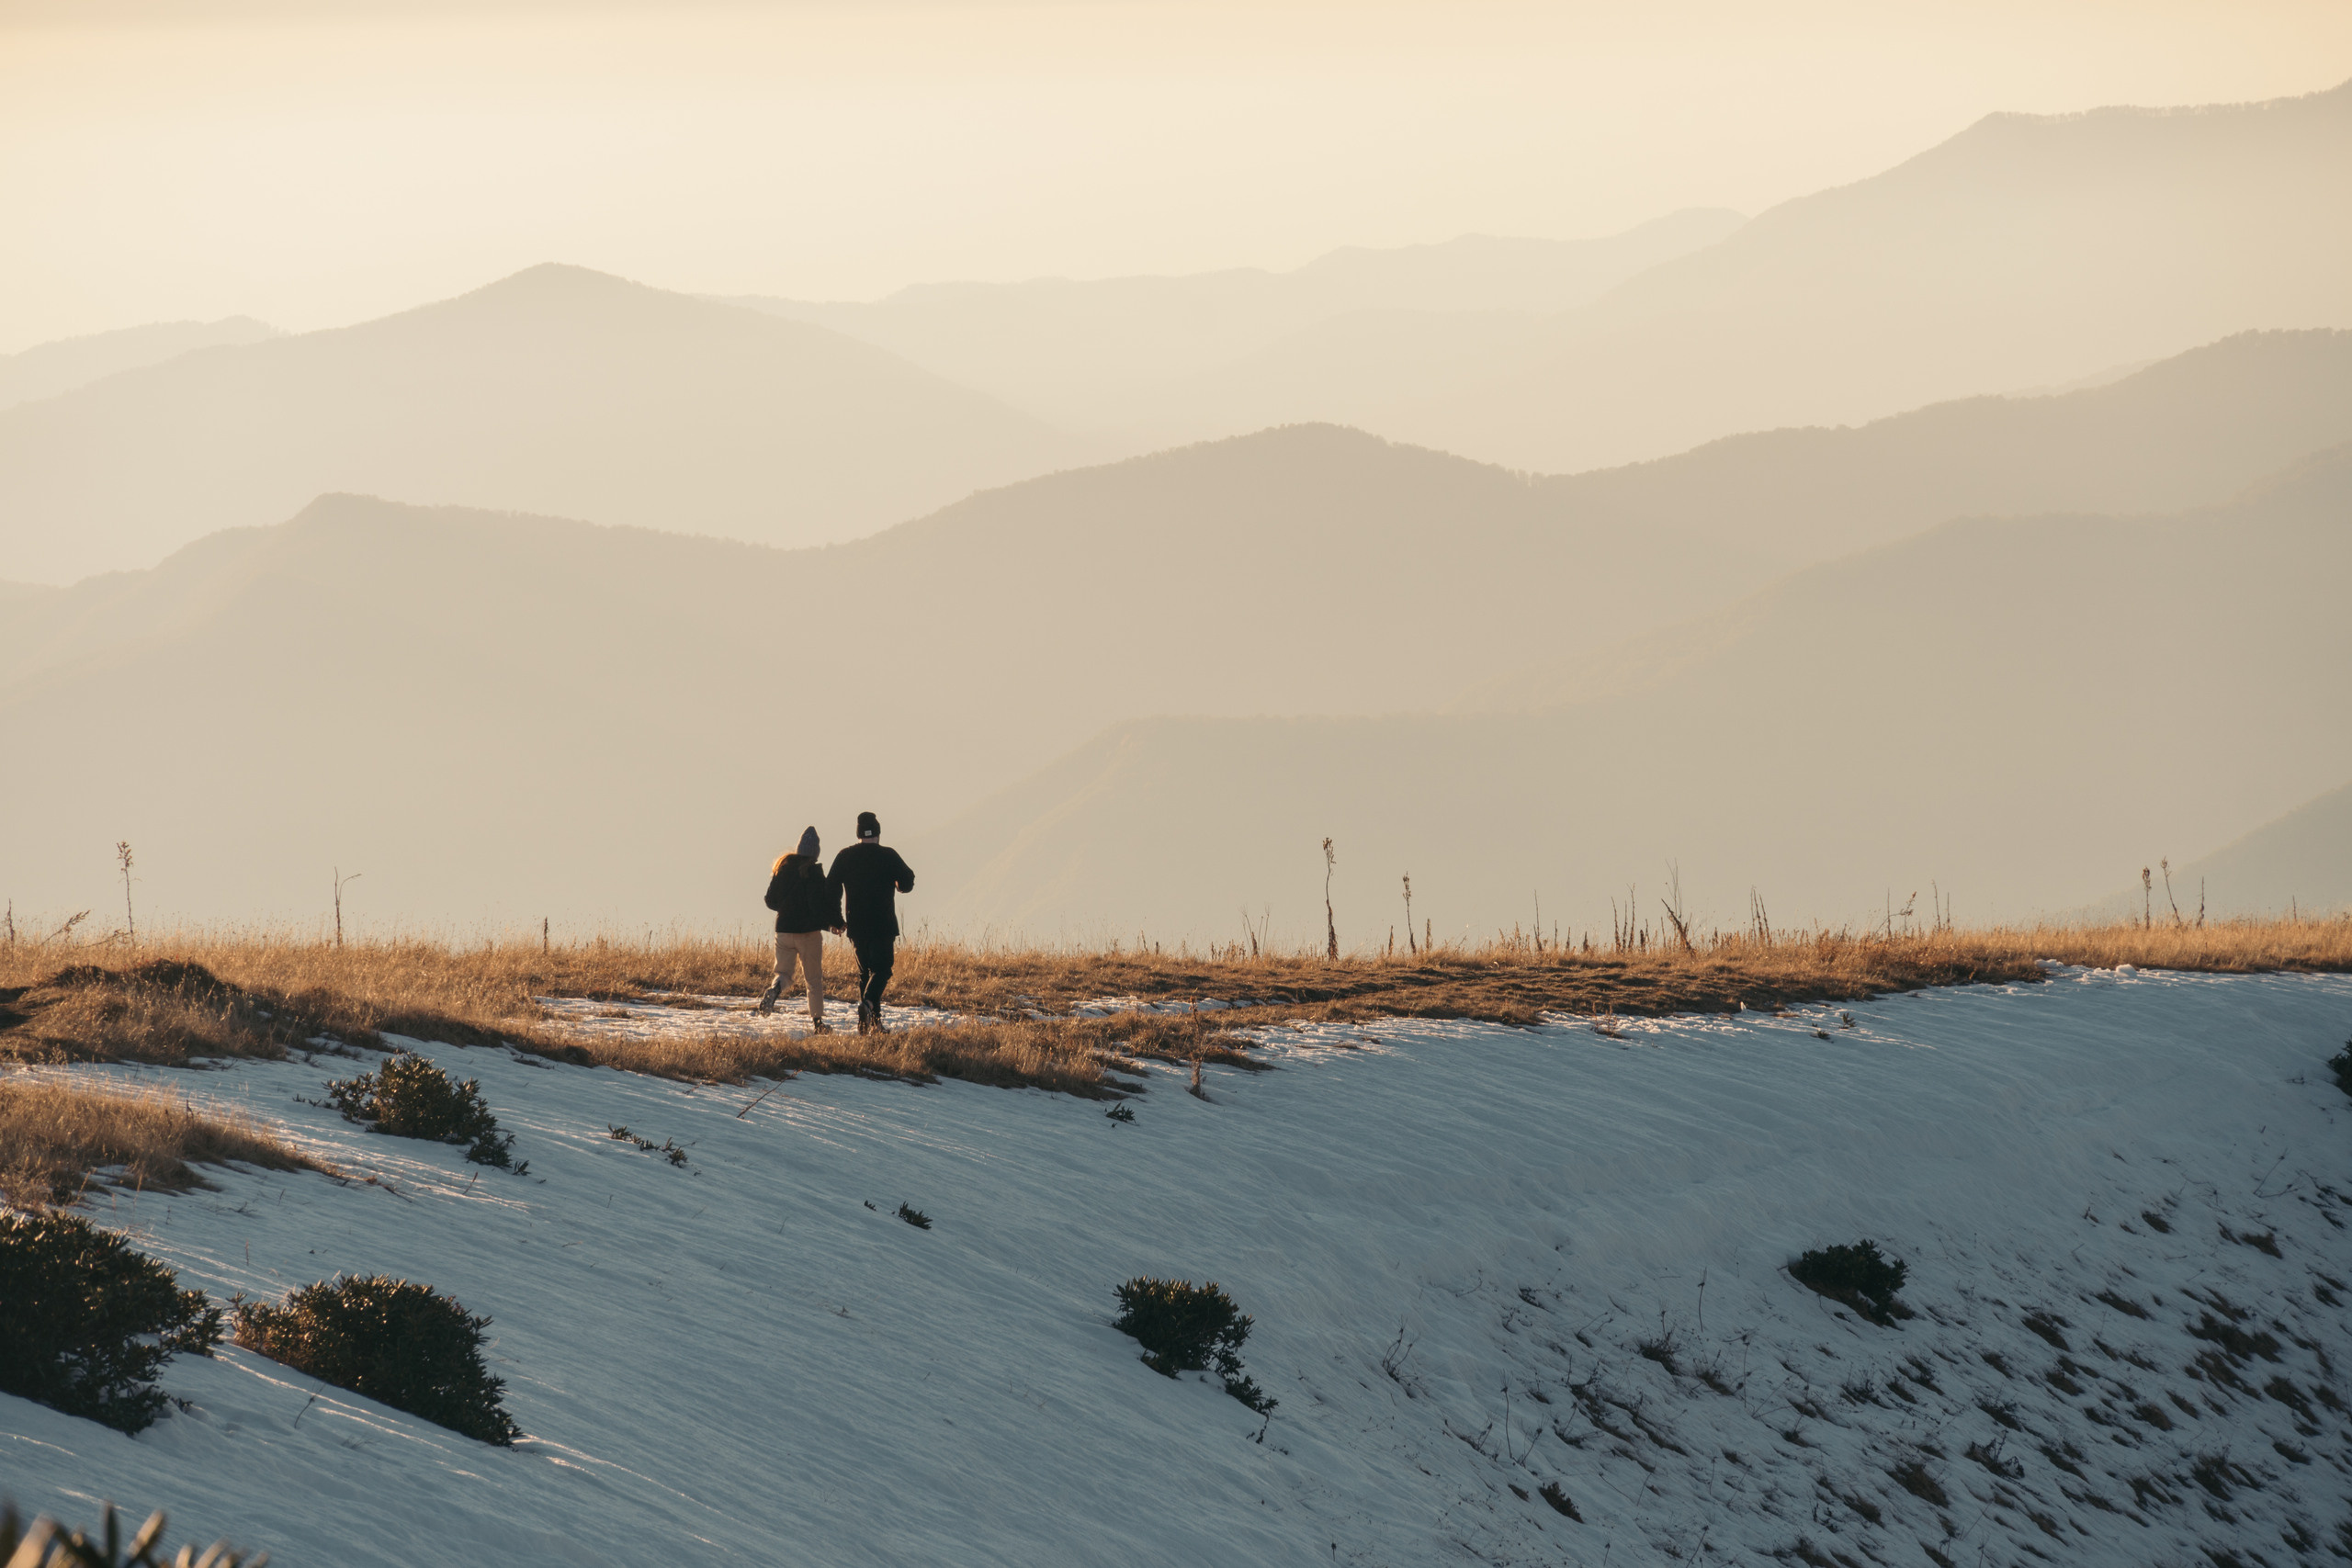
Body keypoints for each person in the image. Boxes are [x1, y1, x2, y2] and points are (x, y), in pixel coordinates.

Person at [826, 810, 914, 1032]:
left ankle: (872, 1024)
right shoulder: (888, 855)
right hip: (883, 924)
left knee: (865, 972)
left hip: (856, 925)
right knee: (883, 970)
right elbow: (908, 881)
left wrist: (837, 918)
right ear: (878, 833)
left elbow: (831, 888)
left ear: (858, 834)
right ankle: (868, 1005)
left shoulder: (845, 856)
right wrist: (898, 885)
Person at [757, 826, 843, 1028]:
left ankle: (776, 988)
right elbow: (819, 907)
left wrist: (786, 908)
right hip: (808, 934)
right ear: (815, 853)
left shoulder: (782, 868)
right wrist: (835, 924)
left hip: (784, 930)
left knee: (784, 974)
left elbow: (770, 901)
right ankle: (818, 1023)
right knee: (813, 980)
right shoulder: (814, 874)